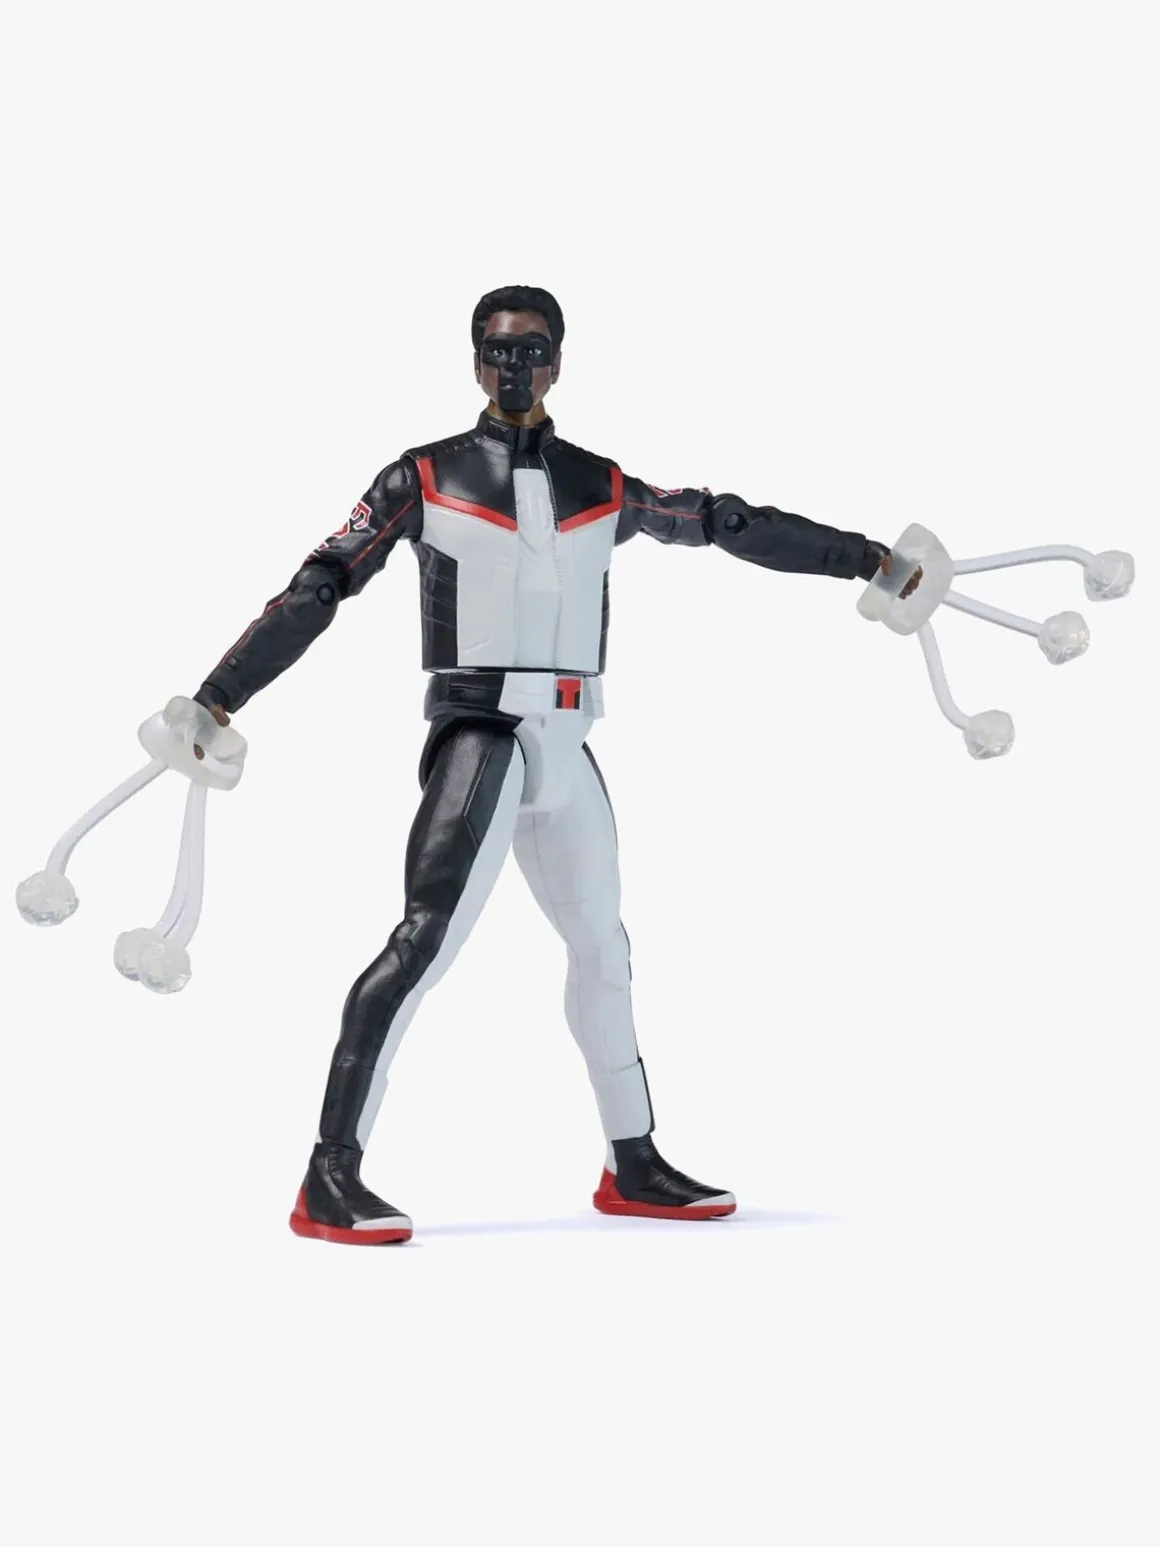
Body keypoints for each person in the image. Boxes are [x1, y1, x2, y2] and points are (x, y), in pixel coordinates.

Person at [193, 284, 919, 1245]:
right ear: (474, 361)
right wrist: (218, 694)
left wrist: (865, 558)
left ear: (559, 361)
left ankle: (634, 1159)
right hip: (481, 735)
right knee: (422, 944)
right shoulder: (424, 476)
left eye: (532, 350)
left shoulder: (600, 484)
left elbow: (724, 521)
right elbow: (321, 585)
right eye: (499, 351)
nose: (515, 368)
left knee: (604, 952)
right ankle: (329, 1174)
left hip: (570, 745)